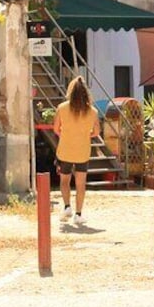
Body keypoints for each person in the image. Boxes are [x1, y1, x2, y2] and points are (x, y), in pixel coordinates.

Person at [52, 76, 100, 225]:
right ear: (86, 93)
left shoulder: (62, 108)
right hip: (82, 151)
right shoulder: (92, 111)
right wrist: (85, 134)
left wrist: (66, 134)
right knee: (81, 184)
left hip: (65, 150)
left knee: (64, 181)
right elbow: (96, 132)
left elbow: (55, 128)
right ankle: (78, 214)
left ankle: (67, 207)